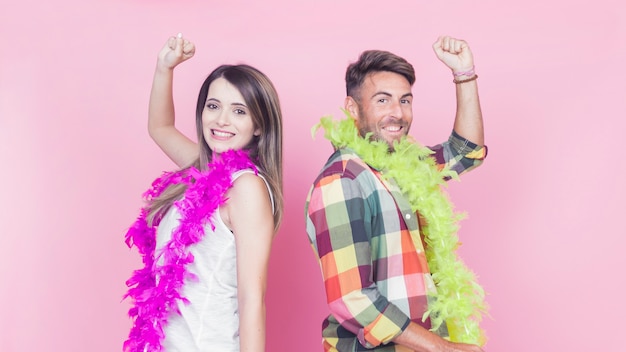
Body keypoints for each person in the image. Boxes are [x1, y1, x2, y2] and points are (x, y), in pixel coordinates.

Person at [305, 36, 488, 352]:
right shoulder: (342, 179)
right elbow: (352, 298)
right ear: (353, 107)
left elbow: (467, 151)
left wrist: (464, 74)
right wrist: (444, 349)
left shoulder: (405, 166)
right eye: (382, 100)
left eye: (405, 100)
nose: (398, 113)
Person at [124, 34, 283, 352]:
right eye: (213, 106)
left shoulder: (246, 187)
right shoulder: (203, 173)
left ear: (259, 126)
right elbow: (160, 128)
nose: (222, 120)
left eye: (239, 111)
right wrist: (164, 68)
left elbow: (253, 297)